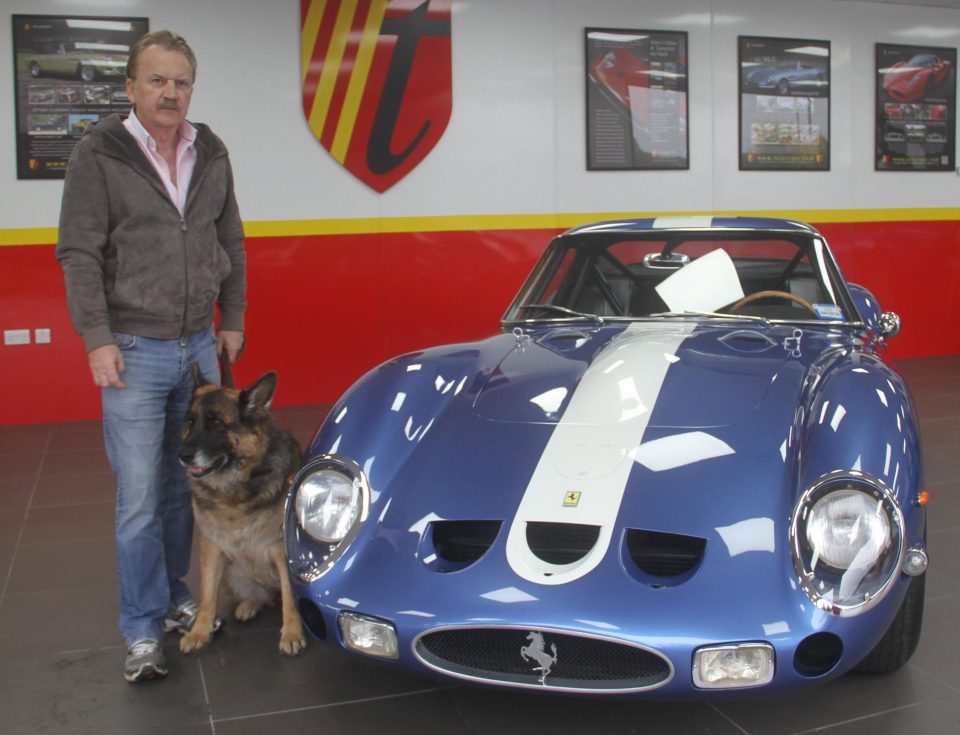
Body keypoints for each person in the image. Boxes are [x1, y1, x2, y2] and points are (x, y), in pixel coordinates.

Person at [55, 30, 246, 683]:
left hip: (199, 346)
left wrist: (233, 319)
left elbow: (231, 239)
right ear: (132, 87)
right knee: (139, 496)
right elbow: (78, 252)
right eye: (157, 80)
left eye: (181, 82)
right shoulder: (98, 154)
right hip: (133, 350)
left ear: (192, 88)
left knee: (183, 485)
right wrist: (97, 337)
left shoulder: (210, 149)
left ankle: (175, 598)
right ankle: (141, 628)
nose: (170, 92)